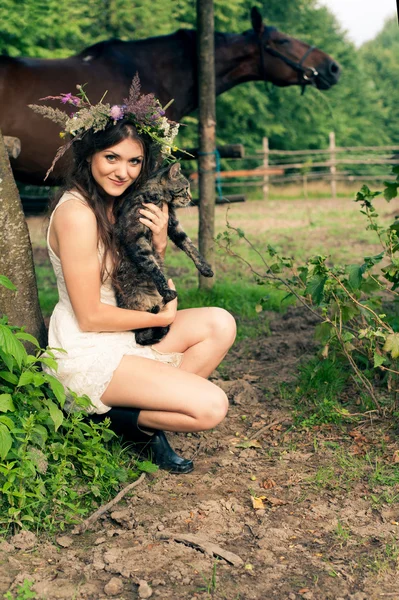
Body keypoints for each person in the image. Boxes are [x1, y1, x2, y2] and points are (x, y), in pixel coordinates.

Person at [33, 78, 236, 474]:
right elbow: (90, 316)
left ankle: (144, 409)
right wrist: (159, 319)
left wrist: (159, 244)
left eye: (134, 161)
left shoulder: (123, 206)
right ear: (90, 154)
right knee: (212, 406)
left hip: (127, 333)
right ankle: (110, 422)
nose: (122, 172)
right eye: (111, 157)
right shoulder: (77, 214)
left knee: (220, 323)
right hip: (89, 347)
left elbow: (142, 283)